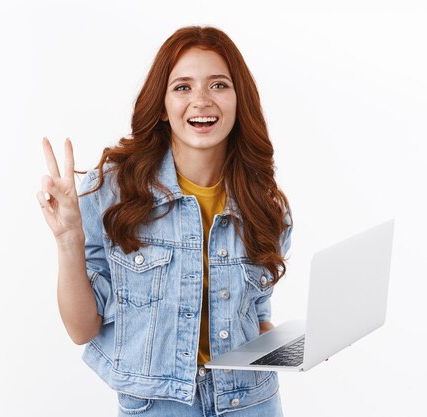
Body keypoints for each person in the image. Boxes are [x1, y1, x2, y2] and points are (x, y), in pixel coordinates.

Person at [37, 25, 292, 417]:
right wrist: (68, 238)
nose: (202, 101)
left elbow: (255, 319)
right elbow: (81, 329)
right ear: (161, 105)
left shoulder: (263, 202)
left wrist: (297, 347)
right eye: (183, 87)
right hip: (159, 407)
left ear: (240, 100)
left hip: (252, 403)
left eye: (219, 85)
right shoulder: (114, 192)